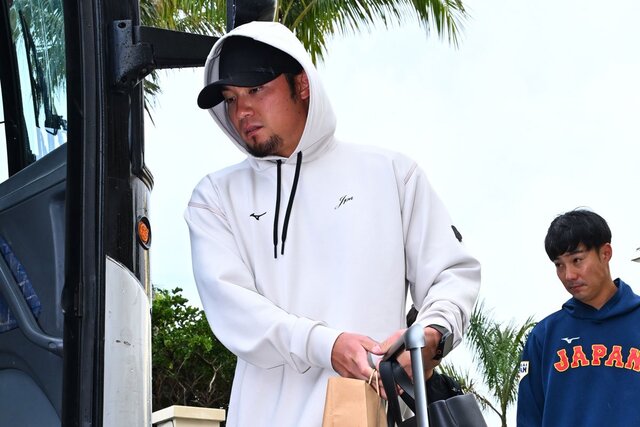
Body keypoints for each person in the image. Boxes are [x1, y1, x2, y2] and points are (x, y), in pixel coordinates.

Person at [185, 21, 481, 427]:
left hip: (371, 413)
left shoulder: (392, 174)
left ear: (302, 84)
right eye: (231, 98)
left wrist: (432, 334)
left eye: (256, 90)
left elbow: (452, 273)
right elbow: (233, 308)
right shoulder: (215, 197)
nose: (241, 111)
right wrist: (327, 344)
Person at [517, 209, 640, 426]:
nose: (568, 275)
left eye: (577, 260)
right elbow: (529, 417)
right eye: (559, 265)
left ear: (605, 253)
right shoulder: (544, 336)